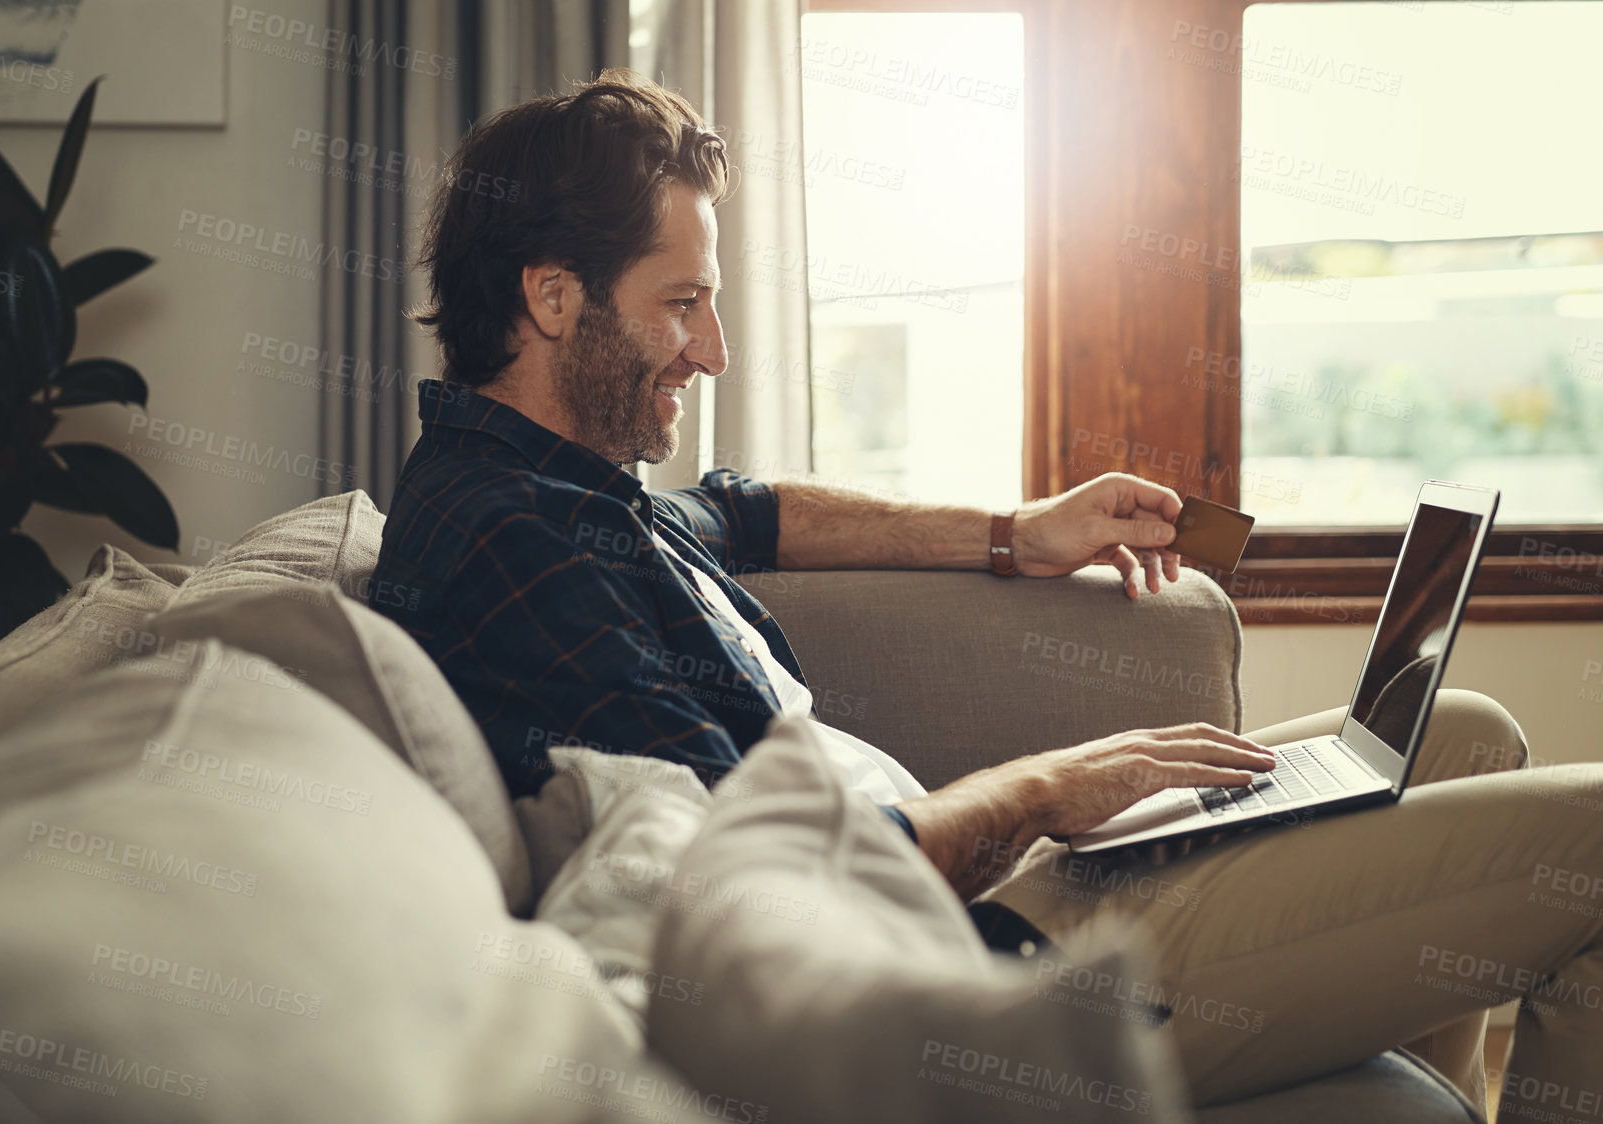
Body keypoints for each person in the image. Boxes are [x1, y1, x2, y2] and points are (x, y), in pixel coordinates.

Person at [368, 68, 1601, 1115]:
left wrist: (1024, 531)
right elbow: (781, 878)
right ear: (549, 296)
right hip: (974, 960)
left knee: (1466, 736)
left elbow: (752, 509)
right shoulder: (512, 548)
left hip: (993, 887)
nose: (714, 349)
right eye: (680, 305)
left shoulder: (568, 485)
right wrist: (1051, 783)